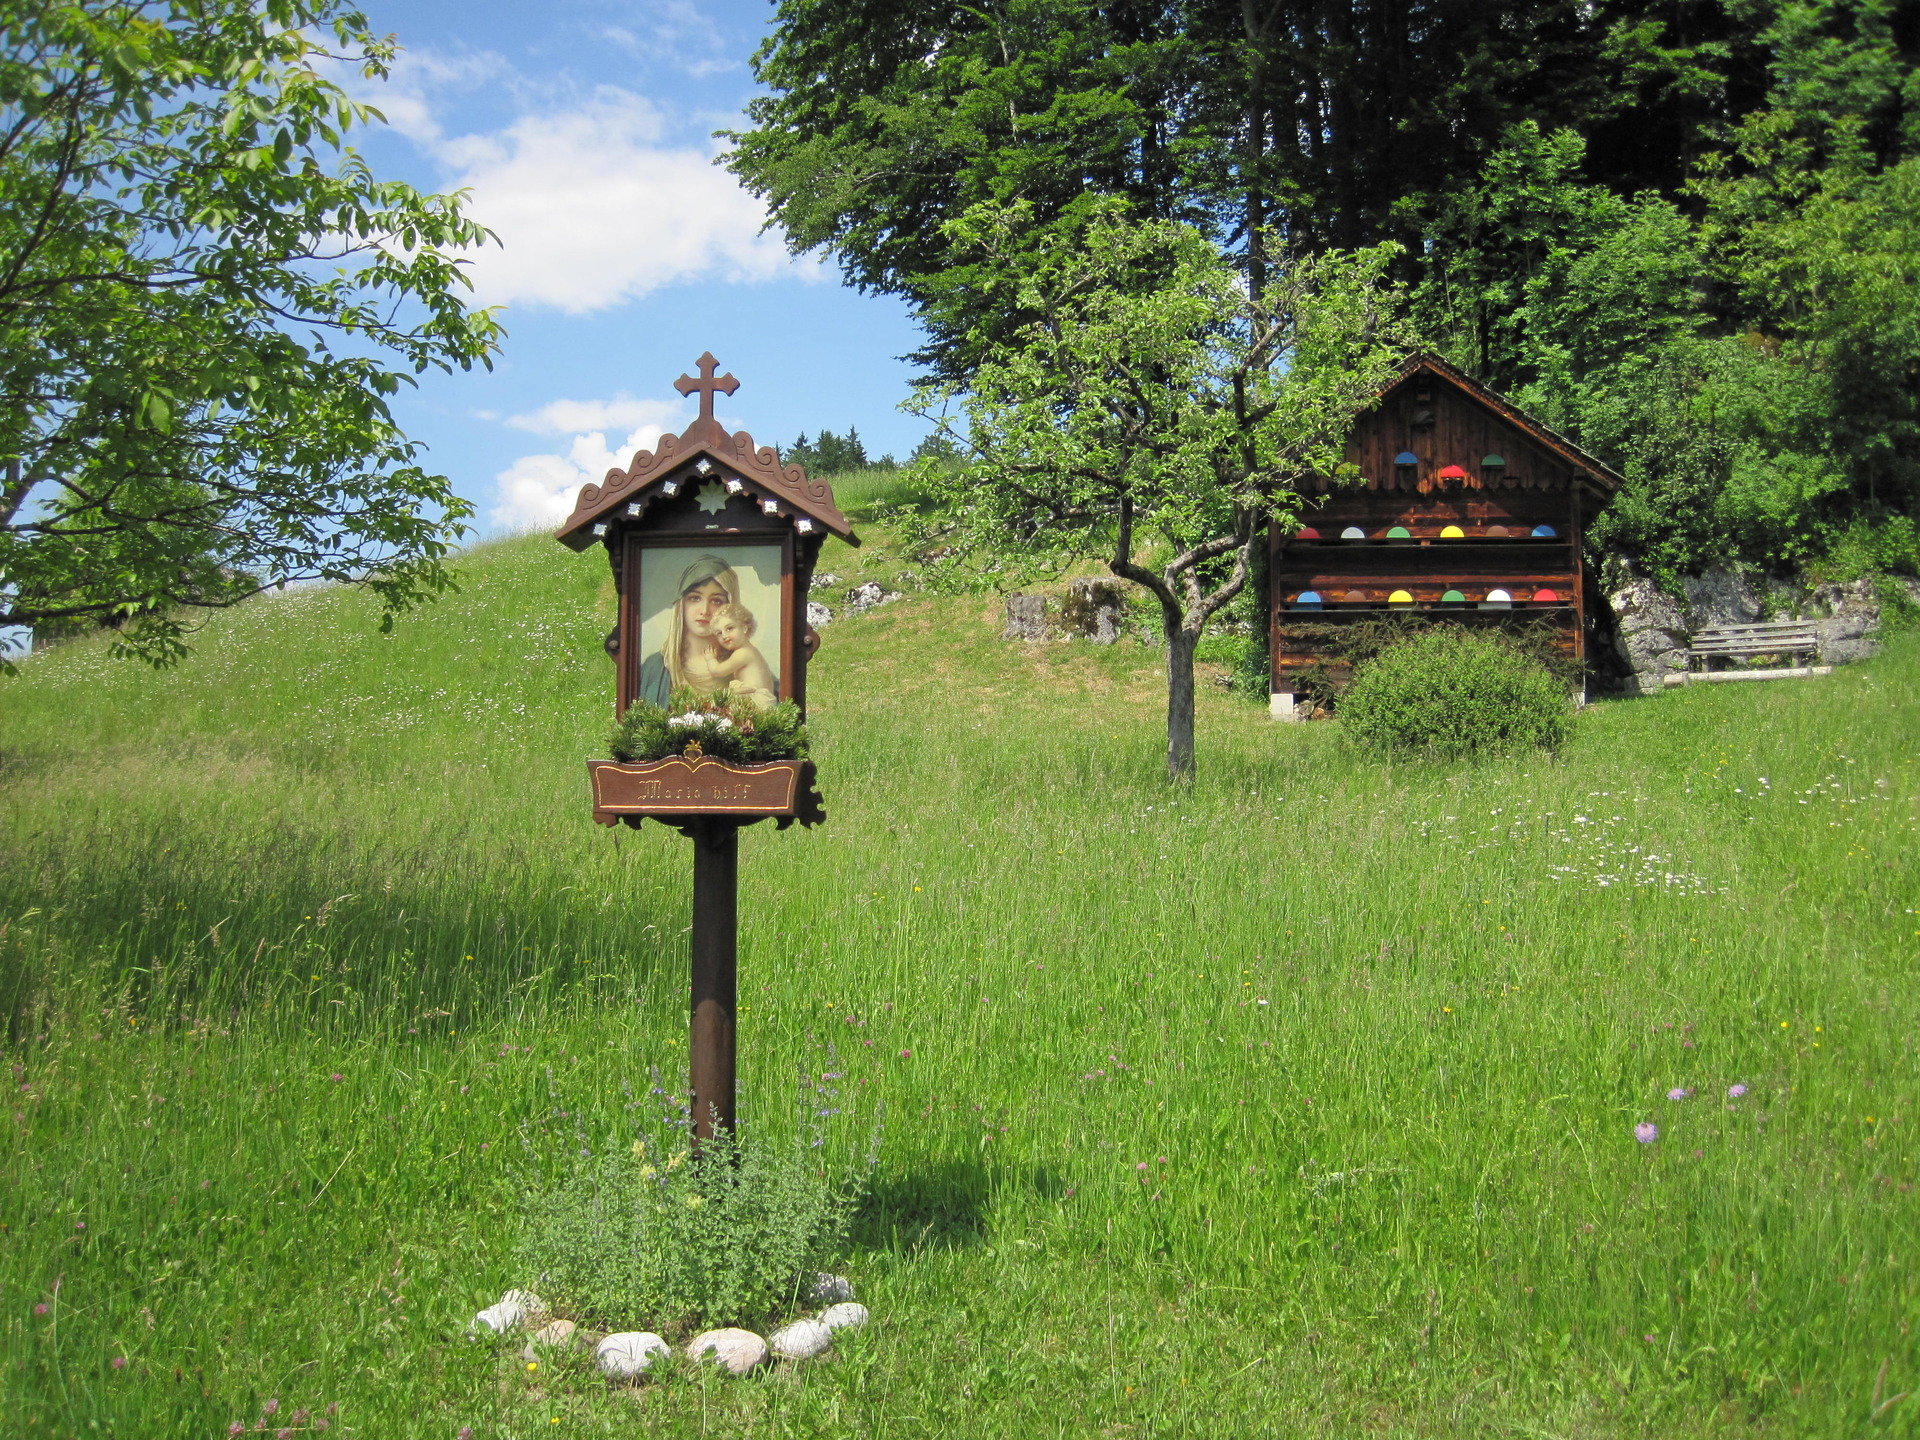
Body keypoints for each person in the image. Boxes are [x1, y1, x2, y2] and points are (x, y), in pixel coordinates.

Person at [635, 553, 758, 705]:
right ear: (681, 604)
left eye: (716, 601)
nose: (704, 610)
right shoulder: (655, 668)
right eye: (695, 598)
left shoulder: (747, 663)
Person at [707, 602, 779, 709]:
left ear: (744, 628)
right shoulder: (751, 650)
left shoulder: (743, 653)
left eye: (729, 628)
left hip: (758, 701)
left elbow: (718, 671)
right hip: (762, 699)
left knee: (719, 704)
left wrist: (710, 659)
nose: (724, 636)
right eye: (719, 633)